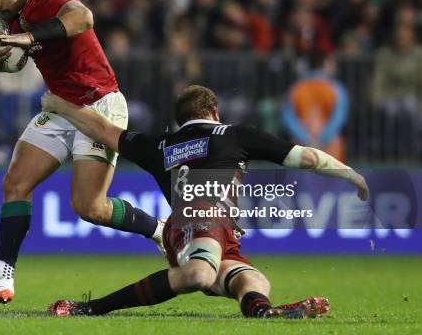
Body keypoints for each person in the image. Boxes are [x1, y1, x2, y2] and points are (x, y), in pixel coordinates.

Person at [42, 85, 369, 318]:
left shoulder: (159, 145)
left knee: (252, 280)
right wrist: (350, 174)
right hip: (200, 221)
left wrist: (59, 104)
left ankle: (263, 311)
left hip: (208, 231)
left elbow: (101, 129)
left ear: (180, 119)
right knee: (198, 275)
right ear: (215, 112)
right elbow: (308, 157)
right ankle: (91, 308)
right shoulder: (238, 135)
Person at [0, 0, 163, 303]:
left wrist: (27, 37)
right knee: (15, 184)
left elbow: (83, 18)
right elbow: (10, 62)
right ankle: (0, 277)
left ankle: (161, 232)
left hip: (98, 104)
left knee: (89, 207)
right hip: (60, 106)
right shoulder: (6, 17)